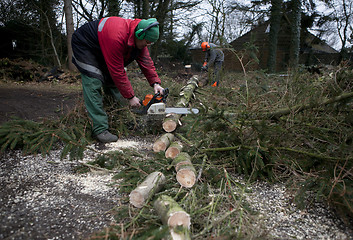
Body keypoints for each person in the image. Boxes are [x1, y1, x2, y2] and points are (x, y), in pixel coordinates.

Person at [71, 17, 164, 143]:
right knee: (94, 82)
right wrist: (131, 97)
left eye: (150, 43)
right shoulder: (116, 36)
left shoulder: (139, 37)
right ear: (139, 34)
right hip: (85, 45)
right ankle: (99, 129)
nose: (147, 45)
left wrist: (155, 83)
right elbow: (117, 70)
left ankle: (119, 119)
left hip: (103, 47)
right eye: (147, 42)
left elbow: (146, 62)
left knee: (112, 83)